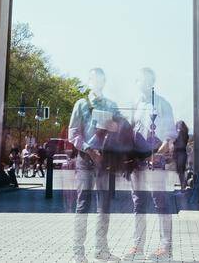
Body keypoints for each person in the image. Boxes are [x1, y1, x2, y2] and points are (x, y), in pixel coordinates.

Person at [67, 67, 121, 262]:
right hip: (85, 160)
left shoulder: (111, 106)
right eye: (93, 79)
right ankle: (78, 254)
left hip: (105, 161)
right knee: (82, 205)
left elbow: (122, 129)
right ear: (89, 82)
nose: (97, 83)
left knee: (104, 206)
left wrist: (115, 127)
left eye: (100, 80)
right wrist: (90, 149)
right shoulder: (81, 104)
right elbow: (73, 133)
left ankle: (101, 251)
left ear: (104, 82)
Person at [127, 67, 178, 260]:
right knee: (138, 203)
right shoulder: (134, 104)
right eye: (140, 80)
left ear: (152, 82)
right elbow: (130, 131)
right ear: (137, 82)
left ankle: (166, 247)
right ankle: (138, 246)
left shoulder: (163, 104)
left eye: (148, 80)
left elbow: (169, 135)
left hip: (155, 160)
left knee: (161, 203)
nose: (144, 83)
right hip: (137, 161)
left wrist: (157, 154)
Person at [172, 120, 190, 193]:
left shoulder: (180, 133)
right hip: (182, 152)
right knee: (181, 171)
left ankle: (183, 186)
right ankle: (183, 185)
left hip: (179, 153)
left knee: (180, 171)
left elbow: (178, 143)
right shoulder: (185, 134)